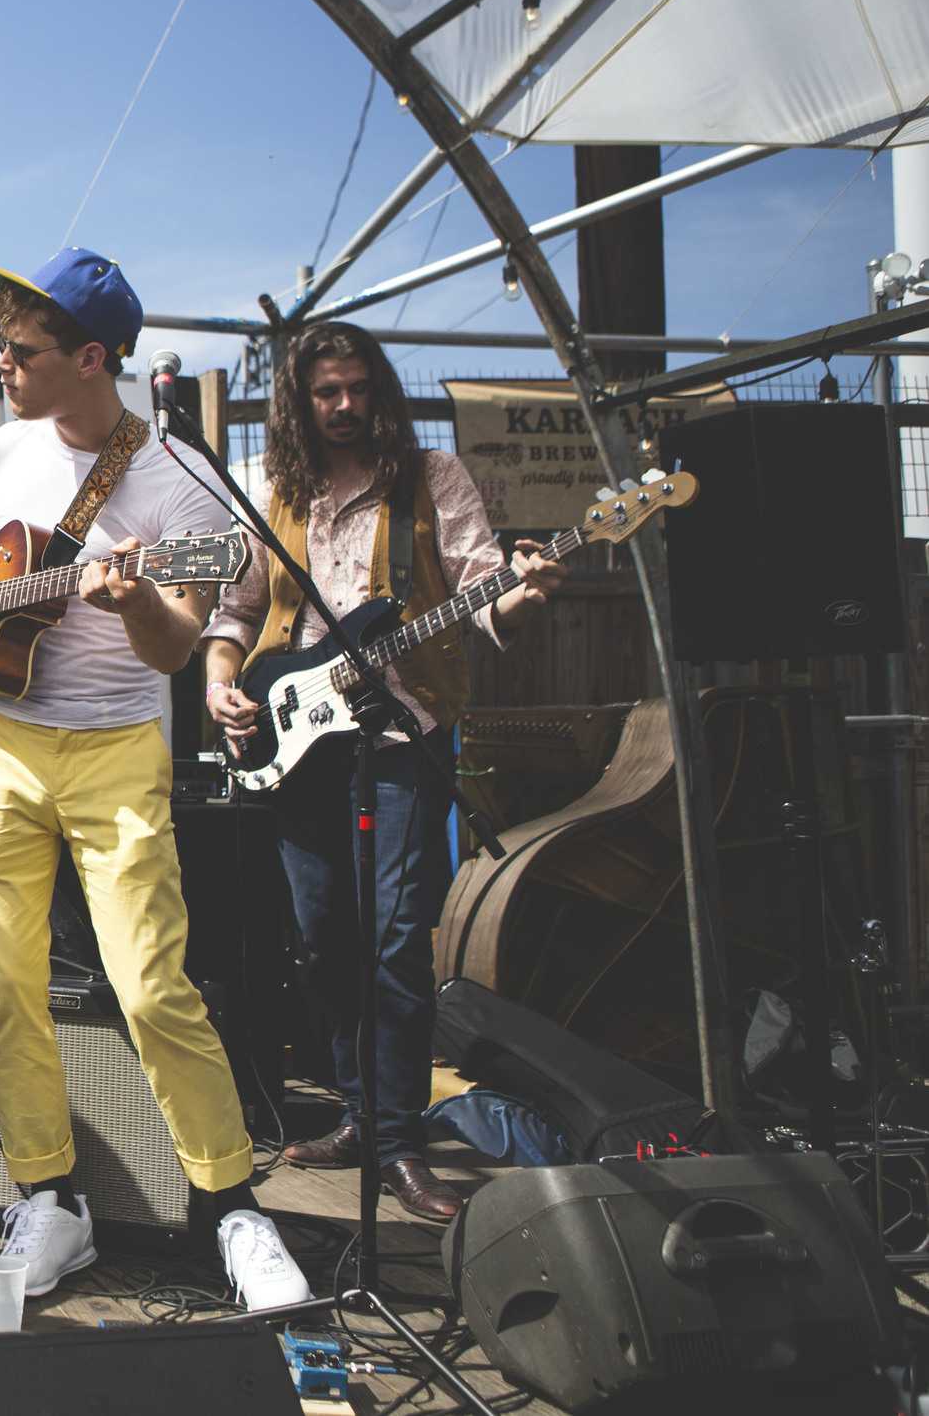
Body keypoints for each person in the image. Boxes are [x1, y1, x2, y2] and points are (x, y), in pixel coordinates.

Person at [0, 248, 308, 1310]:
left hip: (116, 749)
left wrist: (128, 601)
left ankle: (230, 1206)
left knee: (153, 983)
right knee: (6, 986)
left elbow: (172, 652)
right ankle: (46, 1195)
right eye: (0, 347)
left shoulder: (180, 484)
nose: (2, 369)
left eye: (20, 353)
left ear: (91, 356)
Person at [199, 322, 564, 1224]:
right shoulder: (274, 491)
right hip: (293, 745)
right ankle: (360, 1114)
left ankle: (400, 1141)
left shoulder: (433, 480)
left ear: (379, 389)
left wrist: (520, 593)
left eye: (359, 387)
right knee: (324, 940)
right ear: (301, 401)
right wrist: (217, 684)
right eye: (327, 392)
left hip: (399, 740)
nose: (346, 405)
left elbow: (487, 596)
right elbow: (236, 611)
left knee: (397, 942)